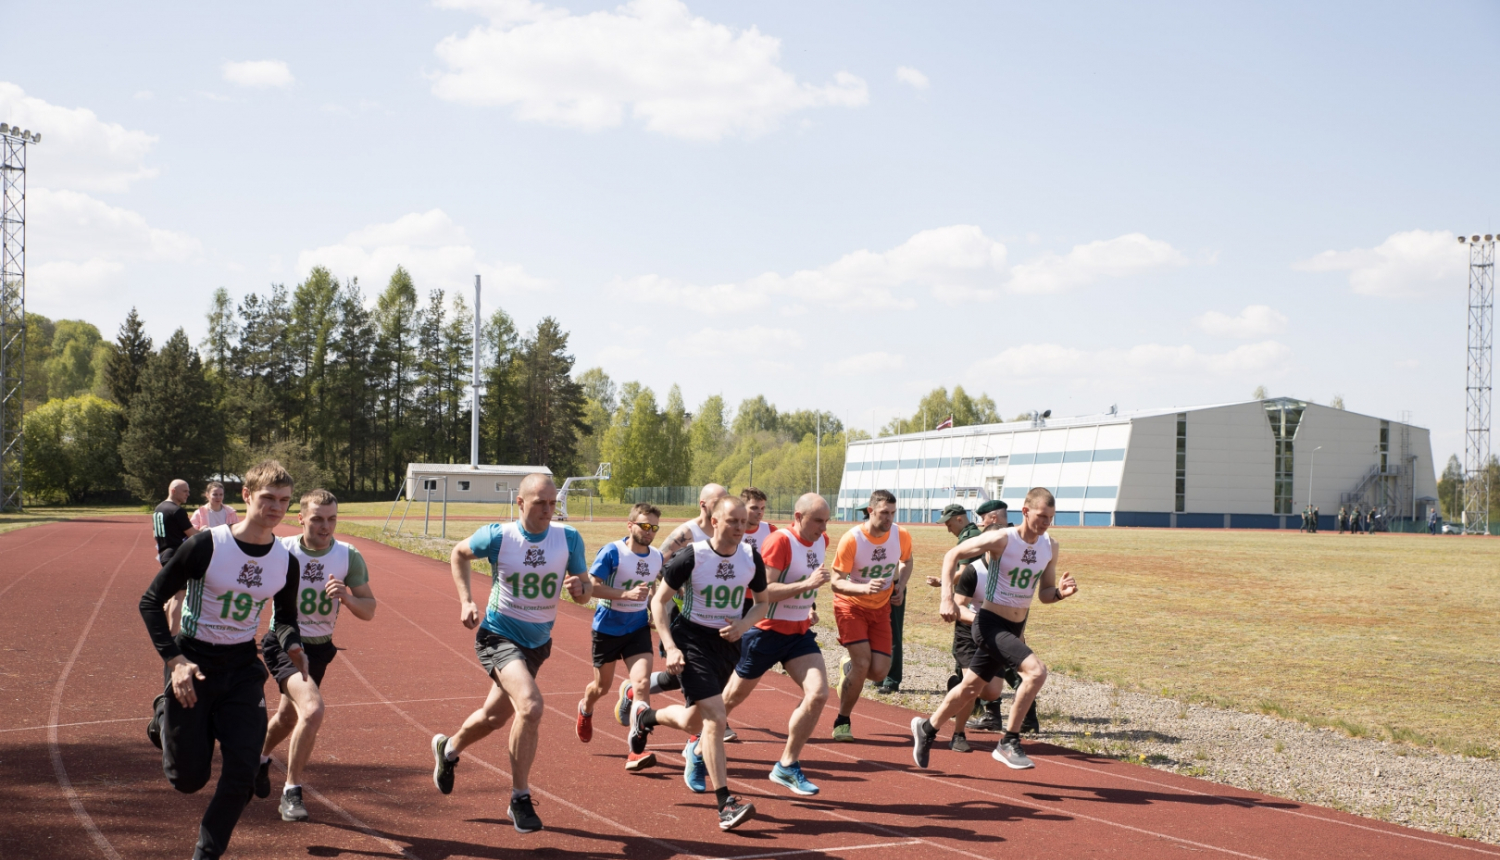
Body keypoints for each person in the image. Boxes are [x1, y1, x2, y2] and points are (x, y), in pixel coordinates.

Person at [139, 461, 309, 860]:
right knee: (188, 780)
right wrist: (174, 659)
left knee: (243, 773)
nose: (276, 507)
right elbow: (150, 601)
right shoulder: (206, 545)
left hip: (241, 671)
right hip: (193, 662)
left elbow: (284, 619)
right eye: (268, 498)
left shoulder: (287, 561)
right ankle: (164, 713)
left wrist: (293, 645)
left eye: (284, 500)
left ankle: (206, 854)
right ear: (246, 496)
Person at [429, 473, 590, 835]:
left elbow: (584, 592)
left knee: (493, 717)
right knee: (531, 706)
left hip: (537, 645)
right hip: (498, 636)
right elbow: (459, 553)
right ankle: (519, 797)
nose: (549, 510)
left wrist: (582, 588)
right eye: (540, 503)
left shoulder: (569, 538)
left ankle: (449, 749)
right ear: (520, 503)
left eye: (553, 503)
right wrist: (467, 600)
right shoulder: (500, 536)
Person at [911, 487, 1078, 772]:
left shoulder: (1050, 545)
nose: (1046, 523)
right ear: (1025, 512)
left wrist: (1060, 593)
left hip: (1015, 627)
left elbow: (1044, 593)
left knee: (970, 688)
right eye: (1041, 516)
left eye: (1050, 517)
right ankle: (1009, 741)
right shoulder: (1002, 539)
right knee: (1036, 672)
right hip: (989, 623)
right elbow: (952, 555)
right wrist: (946, 598)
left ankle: (927, 728)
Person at [626, 496, 766, 831]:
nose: (739, 527)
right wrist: (671, 647)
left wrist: (744, 626)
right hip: (691, 642)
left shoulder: (751, 558)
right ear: (714, 521)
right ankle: (725, 805)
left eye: (743, 521)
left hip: (727, 646)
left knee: (693, 722)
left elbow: (762, 603)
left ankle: (645, 716)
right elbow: (659, 602)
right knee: (716, 718)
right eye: (732, 520)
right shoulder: (693, 556)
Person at [259, 489, 378, 822]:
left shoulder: (347, 555)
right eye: (317, 519)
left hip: (320, 648)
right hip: (284, 640)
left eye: (332, 519)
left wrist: (347, 598)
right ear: (300, 518)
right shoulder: (280, 549)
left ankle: (259, 759)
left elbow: (369, 609)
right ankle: (291, 791)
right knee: (312, 709)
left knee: (288, 717)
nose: (325, 527)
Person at [718, 493, 832, 795]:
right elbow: (764, 592)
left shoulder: (823, 541)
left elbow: (810, 581)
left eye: (826, 521)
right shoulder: (780, 542)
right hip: (765, 632)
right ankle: (697, 743)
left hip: (798, 634)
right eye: (818, 521)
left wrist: (809, 603)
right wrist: (806, 586)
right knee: (727, 701)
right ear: (798, 516)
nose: (823, 527)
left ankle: (787, 765)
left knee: (819, 693)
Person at [644, 483, 740, 741]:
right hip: (682, 615)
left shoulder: (729, 534)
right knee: (689, 669)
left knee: (687, 675)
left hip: (717, 618)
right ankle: (704, 727)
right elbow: (657, 565)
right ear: (703, 504)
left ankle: (636, 690)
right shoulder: (687, 533)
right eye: (716, 501)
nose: (721, 505)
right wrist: (665, 598)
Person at [577, 503, 661, 773]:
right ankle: (586, 708)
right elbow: (589, 588)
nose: (649, 532)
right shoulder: (613, 552)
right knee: (601, 688)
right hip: (608, 629)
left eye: (654, 528)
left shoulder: (657, 556)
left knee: (643, 684)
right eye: (644, 526)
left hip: (637, 629)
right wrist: (625, 595)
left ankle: (636, 752)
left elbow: (653, 587)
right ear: (630, 525)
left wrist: (650, 610)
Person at [828, 490, 912, 742]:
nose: (889, 518)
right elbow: (835, 582)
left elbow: (907, 561)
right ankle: (842, 720)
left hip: (881, 608)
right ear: (870, 510)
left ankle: (848, 665)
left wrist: (900, 585)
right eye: (884, 513)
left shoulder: (901, 535)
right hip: (850, 605)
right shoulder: (852, 539)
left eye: (892, 513)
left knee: (878, 673)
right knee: (864, 663)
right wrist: (863, 588)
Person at [155, 479, 201, 634]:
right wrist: (207, 532)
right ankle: (174, 636)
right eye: (185, 491)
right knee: (179, 596)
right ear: (174, 491)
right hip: (176, 555)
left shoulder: (159, 508)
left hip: (163, 553)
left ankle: (165, 629)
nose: (188, 494)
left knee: (172, 594)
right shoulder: (176, 510)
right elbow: (193, 534)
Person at [740, 486, 777, 553]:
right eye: (754, 508)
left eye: (762, 508)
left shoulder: (772, 531)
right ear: (742, 508)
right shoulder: (730, 532)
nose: (760, 512)